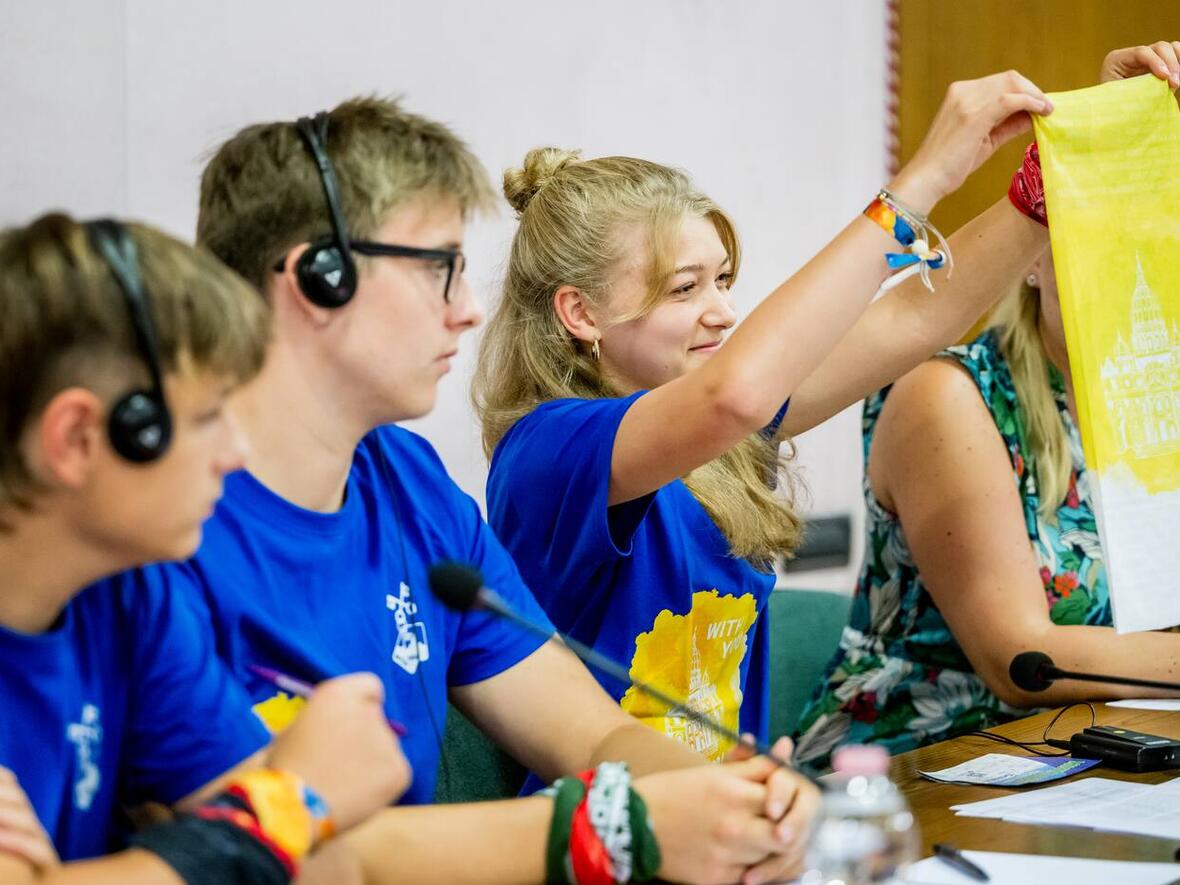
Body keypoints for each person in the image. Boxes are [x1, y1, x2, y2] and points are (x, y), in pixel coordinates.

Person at [139, 97, 817, 885]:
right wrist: (618, 828)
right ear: (316, 280)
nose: (467, 311)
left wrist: (729, 797)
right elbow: (284, 857)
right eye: (439, 268)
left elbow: (594, 739)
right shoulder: (157, 524)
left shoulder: (411, 484)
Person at [474, 44, 1179, 772]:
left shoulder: (722, 443)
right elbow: (736, 395)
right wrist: (920, 182)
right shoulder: (549, 451)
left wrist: (1083, 149)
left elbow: (914, 321)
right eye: (685, 289)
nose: (722, 312)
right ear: (579, 313)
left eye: (723, 280)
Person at [0, 213, 408, 883]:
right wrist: (286, 804)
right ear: (76, 438)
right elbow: (289, 824)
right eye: (210, 414)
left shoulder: (131, 592)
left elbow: (323, 865)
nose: (235, 453)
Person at [795, 209, 1180, 764]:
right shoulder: (950, 393)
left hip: (1103, 744)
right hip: (922, 761)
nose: (1132, 275)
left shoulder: (1147, 407)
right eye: (1103, 247)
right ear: (1032, 258)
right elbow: (1023, 661)